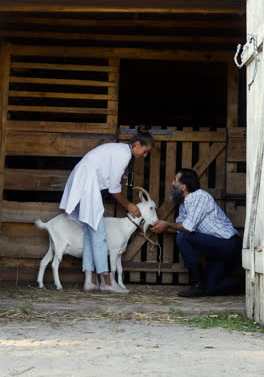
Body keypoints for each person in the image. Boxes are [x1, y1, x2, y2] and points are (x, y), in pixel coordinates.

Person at [60, 126, 154, 294]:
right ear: (137, 144)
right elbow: (114, 190)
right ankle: (108, 282)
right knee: (99, 235)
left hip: (83, 182)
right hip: (87, 184)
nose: (144, 156)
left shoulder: (119, 151)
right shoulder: (124, 155)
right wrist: (129, 205)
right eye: (145, 151)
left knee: (90, 233)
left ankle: (89, 281)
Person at [151, 168, 242, 297]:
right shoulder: (185, 203)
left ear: (183, 186)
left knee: (183, 237)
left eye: (174, 181)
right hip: (215, 249)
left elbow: (186, 228)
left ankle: (196, 284)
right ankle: (240, 282)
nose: (172, 184)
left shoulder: (200, 197)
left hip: (227, 244)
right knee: (210, 289)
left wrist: (167, 224)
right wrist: (159, 226)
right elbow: (180, 227)